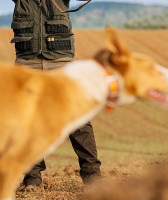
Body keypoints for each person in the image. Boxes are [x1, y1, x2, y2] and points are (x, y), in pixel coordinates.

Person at [11, 0, 101, 187]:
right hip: (27, 64)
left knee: (79, 119)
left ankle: (93, 177)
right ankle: (32, 180)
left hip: (60, 62)